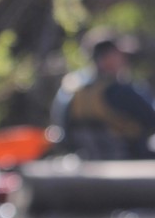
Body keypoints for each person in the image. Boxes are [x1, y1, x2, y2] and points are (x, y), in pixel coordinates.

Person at [50, 30, 155, 160]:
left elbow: (61, 130)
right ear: (108, 58)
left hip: (85, 158)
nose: (124, 60)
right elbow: (151, 119)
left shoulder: (69, 88)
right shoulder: (120, 91)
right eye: (120, 55)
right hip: (126, 157)